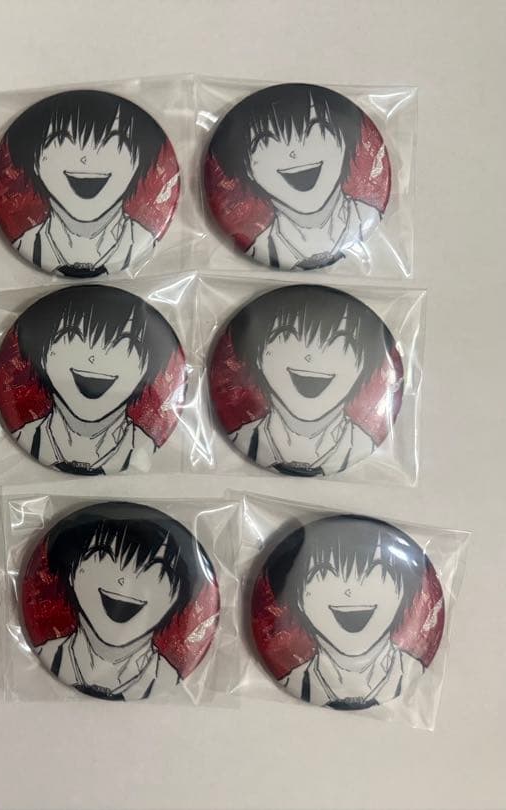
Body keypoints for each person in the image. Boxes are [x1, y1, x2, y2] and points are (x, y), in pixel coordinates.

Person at [36, 502, 212, 700]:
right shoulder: (44, 656)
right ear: (71, 572)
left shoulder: (168, 680)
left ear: (178, 595)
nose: (125, 581)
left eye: (157, 567)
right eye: (104, 554)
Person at [209, 84, 381, 270]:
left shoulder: (369, 217)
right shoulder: (259, 249)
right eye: (266, 140)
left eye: (315, 129)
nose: (294, 152)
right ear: (248, 169)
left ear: (344, 143)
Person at [12, 285, 180, 475]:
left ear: (147, 368)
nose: (95, 358)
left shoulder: (146, 447)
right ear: (42, 356)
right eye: (72, 335)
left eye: (125, 341)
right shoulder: (23, 436)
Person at [226, 285, 392, 476]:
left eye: (340, 339)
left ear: (364, 363)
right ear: (258, 355)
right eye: (287, 334)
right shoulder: (241, 440)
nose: (311, 356)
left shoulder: (366, 446)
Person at [266, 516, 427, 709]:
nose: (350, 591)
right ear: (298, 598)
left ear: (403, 591)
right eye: (324, 571)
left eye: (376, 570)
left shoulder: (414, 672)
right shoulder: (291, 681)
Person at [4, 90, 167, 277]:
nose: (86, 158)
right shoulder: (25, 244)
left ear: (138, 161)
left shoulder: (144, 242)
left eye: (113, 140)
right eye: (62, 139)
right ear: (35, 161)